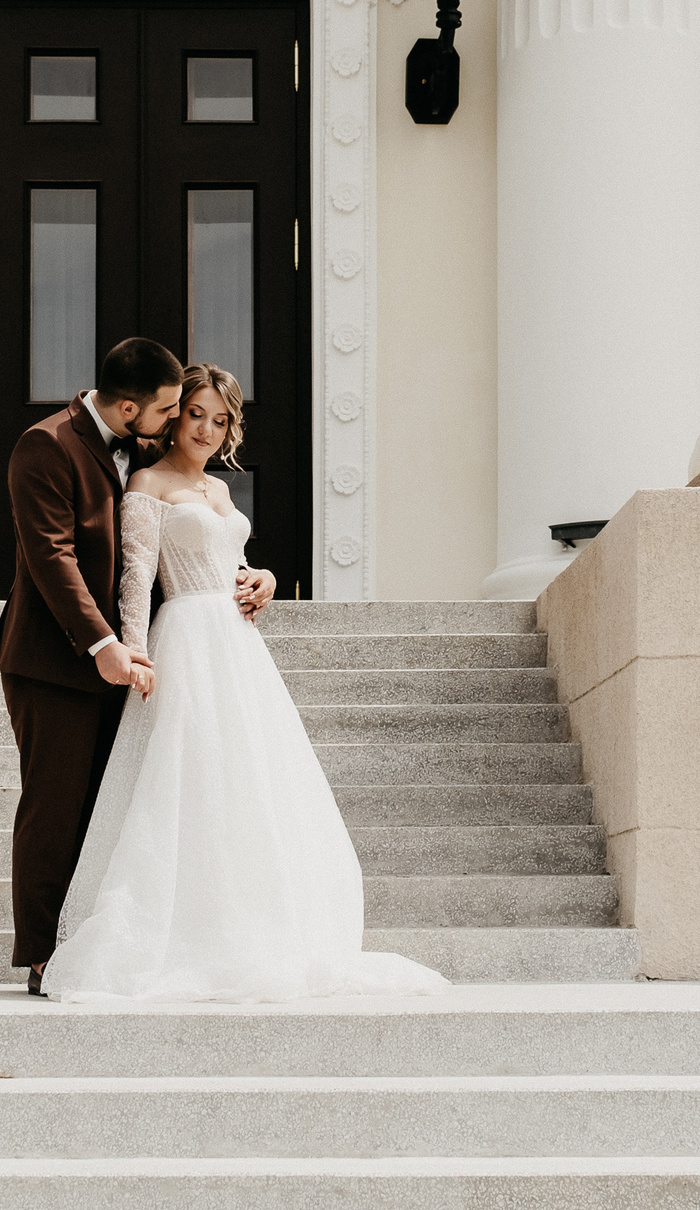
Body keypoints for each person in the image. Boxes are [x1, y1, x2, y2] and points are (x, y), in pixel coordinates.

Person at [41, 364, 448, 1003]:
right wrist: (136, 656)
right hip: (186, 640)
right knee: (190, 780)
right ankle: (183, 931)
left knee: (250, 780)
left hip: (238, 648)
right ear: (175, 414)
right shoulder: (146, 484)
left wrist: (265, 579)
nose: (206, 428)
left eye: (220, 419)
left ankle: (257, 927)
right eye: (196, 413)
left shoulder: (221, 494)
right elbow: (135, 575)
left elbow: (233, 564)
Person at [0, 338, 276, 996]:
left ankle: (103, 935)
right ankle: (41, 955)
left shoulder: (145, 449)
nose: (181, 424)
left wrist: (258, 576)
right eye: (172, 410)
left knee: (115, 805)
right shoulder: (46, 444)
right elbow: (51, 555)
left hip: (137, 650)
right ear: (128, 408)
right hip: (55, 658)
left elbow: (194, 531)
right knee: (56, 806)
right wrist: (107, 644)